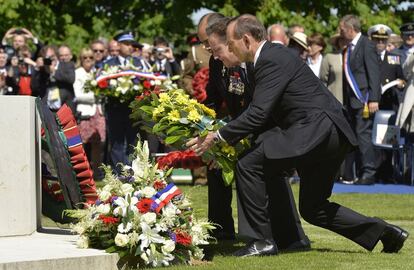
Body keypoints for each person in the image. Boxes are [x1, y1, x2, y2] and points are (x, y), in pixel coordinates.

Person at [187, 14, 409, 257]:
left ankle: (261, 240)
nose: (226, 50)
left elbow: (259, 112)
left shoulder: (270, 58)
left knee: (249, 164)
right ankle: (386, 233)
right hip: (330, 135)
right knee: (314, 209)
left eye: (230, 44)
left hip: (316, 130)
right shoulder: (268, 58)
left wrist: (217, 137)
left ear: (247, 40)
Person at [204, 14, 310, 249]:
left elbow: (261, 108)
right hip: (240, 124)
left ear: (233, 43)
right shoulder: (217, 63)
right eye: (209, 50)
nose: (215, 56)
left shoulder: (257, 62)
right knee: (221, 165)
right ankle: (224, 231)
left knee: (259, 166)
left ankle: (287, 237)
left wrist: (229, 137)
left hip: (269, 125)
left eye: (218, 49)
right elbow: (214, 99)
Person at [340, 14, 381, 185]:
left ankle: (369, 172)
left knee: (363, 136)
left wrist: (373, 98)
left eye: (342, 29)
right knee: (355, 137)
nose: (340, 32)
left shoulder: (367, 45)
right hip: (351, 101)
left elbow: (374, 74)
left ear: (350, 29)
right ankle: (356, 172)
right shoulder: (349, 47)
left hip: (364, 100)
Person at [104, 31, 143, 173]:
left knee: (134, 143)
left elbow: (145, 81)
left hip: (133, 109)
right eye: (126, 44)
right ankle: (119, 174)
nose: (130, 47)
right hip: (115, 108)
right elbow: (102, 84)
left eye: (131, 44)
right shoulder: (109, 64)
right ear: (119, 45)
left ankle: (134, 173)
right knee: (117, 143)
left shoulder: (139, 63)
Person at [73, 48, 106, 179]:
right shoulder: (77, 73)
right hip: (85, 112)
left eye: (90, 58)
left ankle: (97, 172)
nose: (88, 60)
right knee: (83, 143)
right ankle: (83, 174)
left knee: (98, 143)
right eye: (84, 58)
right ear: (80, 60)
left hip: (98, 112)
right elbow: (77, 95)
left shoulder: (97, 73)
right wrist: (95, 97)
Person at [31, 45, 76, 112]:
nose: (50, 60)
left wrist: (54, 72)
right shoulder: (42, 70)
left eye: (52, 57)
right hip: (47, 110)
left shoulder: (67, 65)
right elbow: (34, 87)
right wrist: (37, 68)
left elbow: (71, 79)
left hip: (65, 109)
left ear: (57, 56)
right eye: (47, 58)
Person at [320, 33, 347, 104]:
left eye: (346, 39)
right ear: (337, 42)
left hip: (353, 103)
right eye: (342, 39)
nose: (344, 41)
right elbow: (323, 81)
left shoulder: (356, 57)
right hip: (334, 100)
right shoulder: (329, 57)